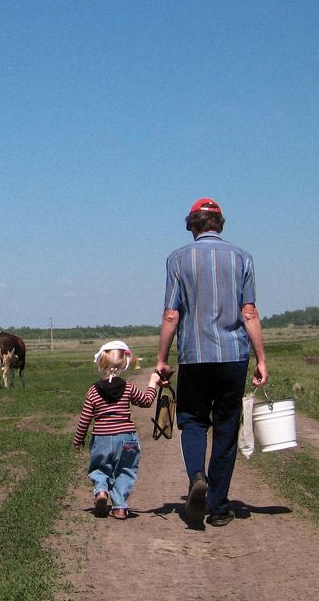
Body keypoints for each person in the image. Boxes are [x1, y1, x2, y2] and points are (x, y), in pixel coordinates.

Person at [155, 197, 269, 527]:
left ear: (193, 225)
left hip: (194, 356)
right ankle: (218, 507)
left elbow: (171, 314)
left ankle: (196, 477)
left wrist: (162, 359)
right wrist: (261, 359)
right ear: (219, 225)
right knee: (225, 428)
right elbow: (249, 314)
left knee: (192, 421)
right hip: (233, 356)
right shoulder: (242, 258)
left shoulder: (177, 259)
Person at [74, 340, 161, 519]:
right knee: (125, 470)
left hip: (101, 438)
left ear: (101, 362)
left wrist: (79, 439)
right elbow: (146, 401)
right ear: (123, 364)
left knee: (99, 468)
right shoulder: (128, 387)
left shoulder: (93, 391)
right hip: (126, 437)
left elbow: (85, 418)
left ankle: (101, 492)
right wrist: (153, 382)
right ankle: (120, 507)